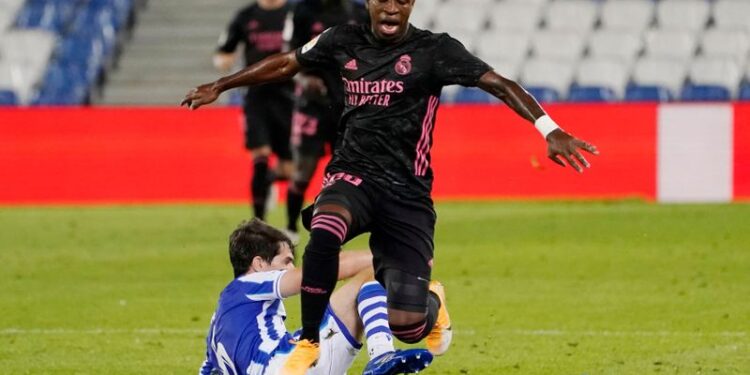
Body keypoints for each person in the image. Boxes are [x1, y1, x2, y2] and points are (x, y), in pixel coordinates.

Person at [183, 0, 600, 373]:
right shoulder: (340, 40)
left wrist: (550, 128)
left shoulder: (435, 50)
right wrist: (221, 85)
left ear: (412, 4)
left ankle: (431, 303)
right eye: (384, 0)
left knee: (408, 325)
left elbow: (499, 84)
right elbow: (287, 62)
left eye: (402, 1)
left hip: (407, 193)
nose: (392, 9)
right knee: (325, 226)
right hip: (353, 174)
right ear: (369, 2)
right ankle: (309, 339)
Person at [199, 219, 433, 375]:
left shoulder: (218, 321)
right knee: (371, 274)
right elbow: (318, 273)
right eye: (287, 262)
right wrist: (401, 259)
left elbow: (207, 369)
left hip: (280, 364)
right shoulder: (249, 284)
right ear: (259, 264)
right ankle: (382, 353)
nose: (292, 270)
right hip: (287, 366)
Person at [284, 0, 368, 240]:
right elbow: (288, 55)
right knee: (303, 169)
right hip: (313, 104)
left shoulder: (359, 11)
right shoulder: (303, 10)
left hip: (349, 105)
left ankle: (332, 229)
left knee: (344, 172)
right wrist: (303, 80)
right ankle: (290, 228)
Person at [214, 0, 295, 221]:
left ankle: (266, 182)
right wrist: (224, 60)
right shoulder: (245, 16)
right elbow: (224, 50)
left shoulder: (294, 13)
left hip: (288, 97)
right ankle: (259, 223)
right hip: (256, 98)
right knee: (260, 154)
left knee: (289, 170)